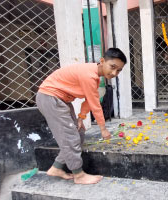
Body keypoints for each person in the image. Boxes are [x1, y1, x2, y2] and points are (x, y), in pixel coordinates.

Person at [36, 48, 126, 184]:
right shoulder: (89, 75)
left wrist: (81, 118)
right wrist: (103, 129)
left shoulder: (94, 76)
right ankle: (78, 175)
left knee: (80, 132)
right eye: (112, 67)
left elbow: (89, 100)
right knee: (70, 137)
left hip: (62, 100)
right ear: (102, 61)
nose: (114, 73)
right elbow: (95, 104)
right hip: (51, 98)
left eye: (119, 70)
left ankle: (56, 168)